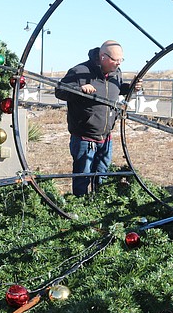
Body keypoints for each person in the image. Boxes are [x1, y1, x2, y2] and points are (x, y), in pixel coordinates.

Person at [54, 40, 136, 196]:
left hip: (106, 137)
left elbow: (116, 89)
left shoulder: (116, 72)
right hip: (85, 138)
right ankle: (80, 206)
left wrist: (131, 87)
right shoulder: (80, 71)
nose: (118, 63)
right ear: (103, 56)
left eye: (121, 60)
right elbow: (59, 91)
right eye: (115, 59)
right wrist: (79, 89)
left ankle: (99, 203)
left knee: (102, 175)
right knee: (82, 177)